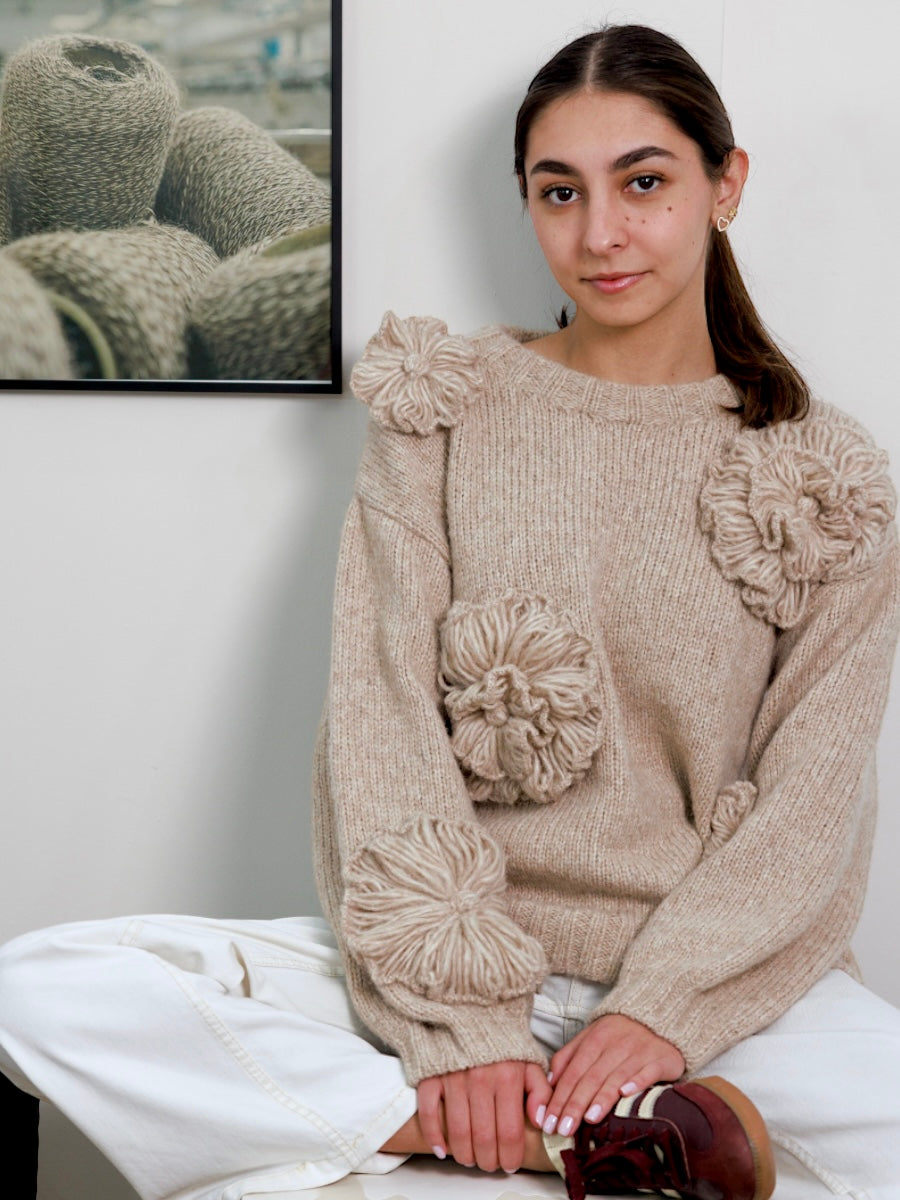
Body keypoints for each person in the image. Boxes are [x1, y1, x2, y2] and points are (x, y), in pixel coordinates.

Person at [2, 21, 899, 1200]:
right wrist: (463, 1026)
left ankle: (620, 1114)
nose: (600, 234)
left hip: (708, 999)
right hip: (457, 961)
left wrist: (663, 1014)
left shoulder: (828, 476)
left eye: (644, 182)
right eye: (557, 191)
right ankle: (546, 1139)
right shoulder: (445, 407)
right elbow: (378, 720)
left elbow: (814, 802)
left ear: (724, 184)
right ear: (525, 202)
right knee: (38, 990)